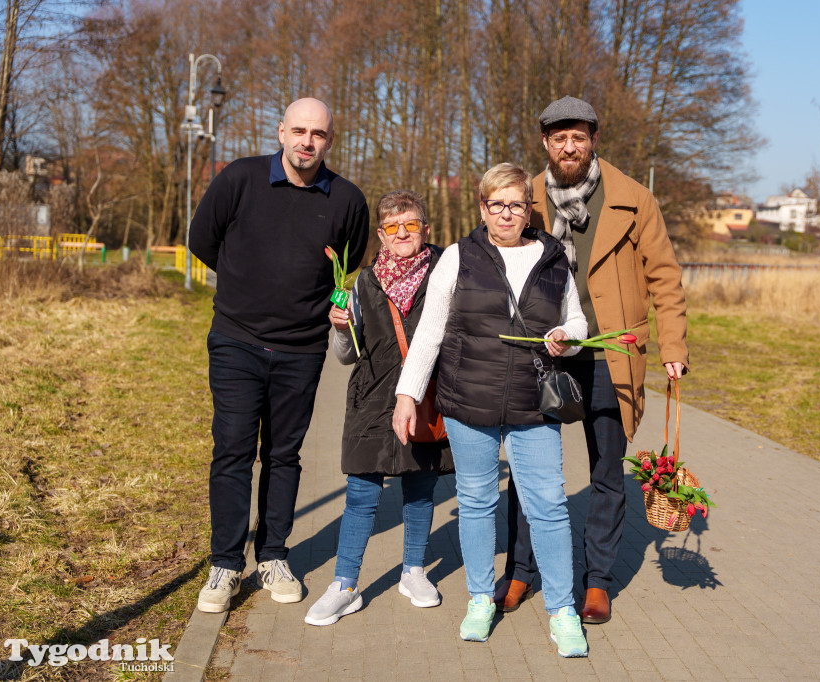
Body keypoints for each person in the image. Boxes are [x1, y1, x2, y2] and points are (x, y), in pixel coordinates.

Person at [493, 96, 689, 625]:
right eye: (559, 137)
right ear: (545, 143)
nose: (569, 146)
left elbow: (665, 278)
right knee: (533, 471)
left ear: (593, 139)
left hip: (611, 349)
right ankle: (519, 571)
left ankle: (597, 581)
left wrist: (673, 347)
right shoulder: (526, 197)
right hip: (544, 350)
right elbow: (494, 261)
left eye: (578, 136)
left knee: (606, 470)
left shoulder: (633, 198)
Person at [391, 163, 590, 657]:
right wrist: (406, 395)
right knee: (477, 504)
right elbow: (429, 334)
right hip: (468, 404)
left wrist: (569, 339)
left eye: (516, 204)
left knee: (548, 507)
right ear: (482, 207)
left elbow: (578, 320)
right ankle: (481, 599)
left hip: (533, 405)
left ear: (529, 210)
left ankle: (562, 610)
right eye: (496, 204)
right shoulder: (458, 257)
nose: (506, 213)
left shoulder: (553, 258)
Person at [190, 97, 369, 613]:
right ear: (281, 131)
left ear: (329, 140)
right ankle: (224, 564)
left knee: (283, 455)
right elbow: (202, 239)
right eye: (298, 131)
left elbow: (348, 263)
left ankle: (272, 555)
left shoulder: (346, 199)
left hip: (301, 350)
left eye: (318, 133)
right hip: (236, 341)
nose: (307, 141)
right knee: (232, 451)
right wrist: (248, 285)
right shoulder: (239, 179)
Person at [304, 190, 453, 626]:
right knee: (362, 494)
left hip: (427, 398)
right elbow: (347, 355)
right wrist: (339, 327)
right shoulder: (364, 282)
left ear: (425, 229)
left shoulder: (447, 271)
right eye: (392, 226)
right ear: (381, 235)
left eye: (410, 224)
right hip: (371, 400)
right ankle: (345, 585)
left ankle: (413, 571)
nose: (402, 233)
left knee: (422, 489)